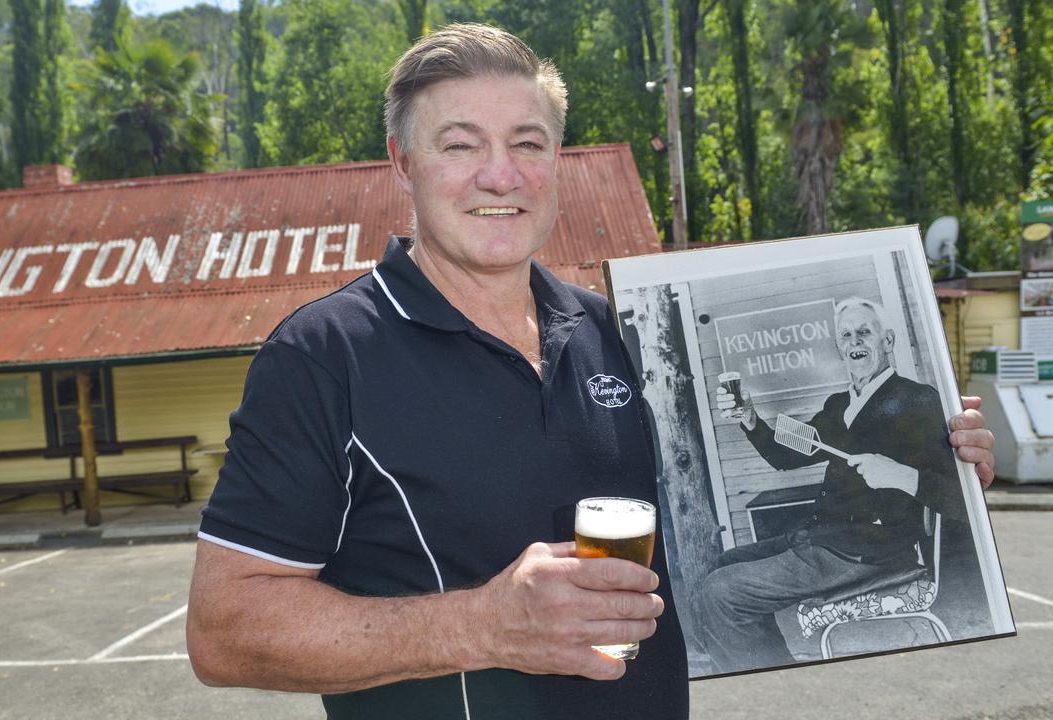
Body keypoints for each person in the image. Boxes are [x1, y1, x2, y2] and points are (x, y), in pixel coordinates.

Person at [186, 24, 995, 719]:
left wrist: (940, 460)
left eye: (527, 144)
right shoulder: (323, 355)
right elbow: (225, 630)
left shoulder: (613, 329)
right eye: (461, 144)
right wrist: (484, 626)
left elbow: (687, 525)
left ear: (558, 159)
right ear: (403, 163)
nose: (500, 175)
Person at [696, 297, 988, 674]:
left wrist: (900, 475)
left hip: (868, 550)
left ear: (888, 340)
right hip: (823, 538)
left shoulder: (918, 400)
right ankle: (771, 666)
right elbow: (789, 456)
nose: (855, 342)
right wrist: (751, 417)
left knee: (721, 593)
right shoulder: (838, 405)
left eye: (864, 332)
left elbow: (960, 496)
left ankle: (767, 682)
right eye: (846, 335)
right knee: (723, 565)